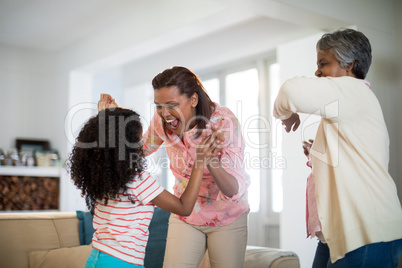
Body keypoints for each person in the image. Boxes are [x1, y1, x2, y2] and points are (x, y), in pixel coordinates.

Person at [273, 29, 402, 267]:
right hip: (341, 233)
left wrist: (287, 113)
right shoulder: (351, 101)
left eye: (324, 63)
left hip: (366, 231)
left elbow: (289, 91)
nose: (317, 71)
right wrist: (318, 156)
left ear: (349, 65)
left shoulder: (351, 90)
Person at [100, 66, 250, 268]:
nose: (165, 113)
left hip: (227, 217)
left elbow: (233, 189)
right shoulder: (161, 121)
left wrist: (209, 160)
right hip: (186, 214)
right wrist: (113, 120)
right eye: (158, 106)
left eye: (172, 105)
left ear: (193, 100)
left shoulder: (224, 121)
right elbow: (138, 150)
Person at [68, 105, 222, 268]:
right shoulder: (137, 180)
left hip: (97, 258)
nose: (142, 144)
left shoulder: (103, 179)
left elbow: (111, 134)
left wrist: (109, 115)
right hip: (121, 263)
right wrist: (199, 162)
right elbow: (184, 207)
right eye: (138, 139)